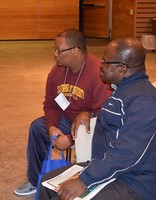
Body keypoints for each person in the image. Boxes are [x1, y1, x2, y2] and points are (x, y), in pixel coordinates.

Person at [38, 37, 156, 200]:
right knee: (48, 183)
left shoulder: (143, 101)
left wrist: (84, 180)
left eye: (105, 61)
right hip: (106, 167)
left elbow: (127, 154)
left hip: (134, 180)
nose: (100, 65)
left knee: (64, 193)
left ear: (121, 69)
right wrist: (89, 113)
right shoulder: (122, 89)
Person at [14, 29, 112, 196]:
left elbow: (103, 118)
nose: (55, 54)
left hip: (90, 124)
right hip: (66, 119)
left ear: (75, 50)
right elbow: (51, 104)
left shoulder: (98, 74)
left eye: (59, 50)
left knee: (93, 133)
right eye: (55, 49)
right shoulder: (57, 71)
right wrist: (52, 126)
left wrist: (71, 138)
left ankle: (88, 180)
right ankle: (36, 180)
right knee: (38, 127)